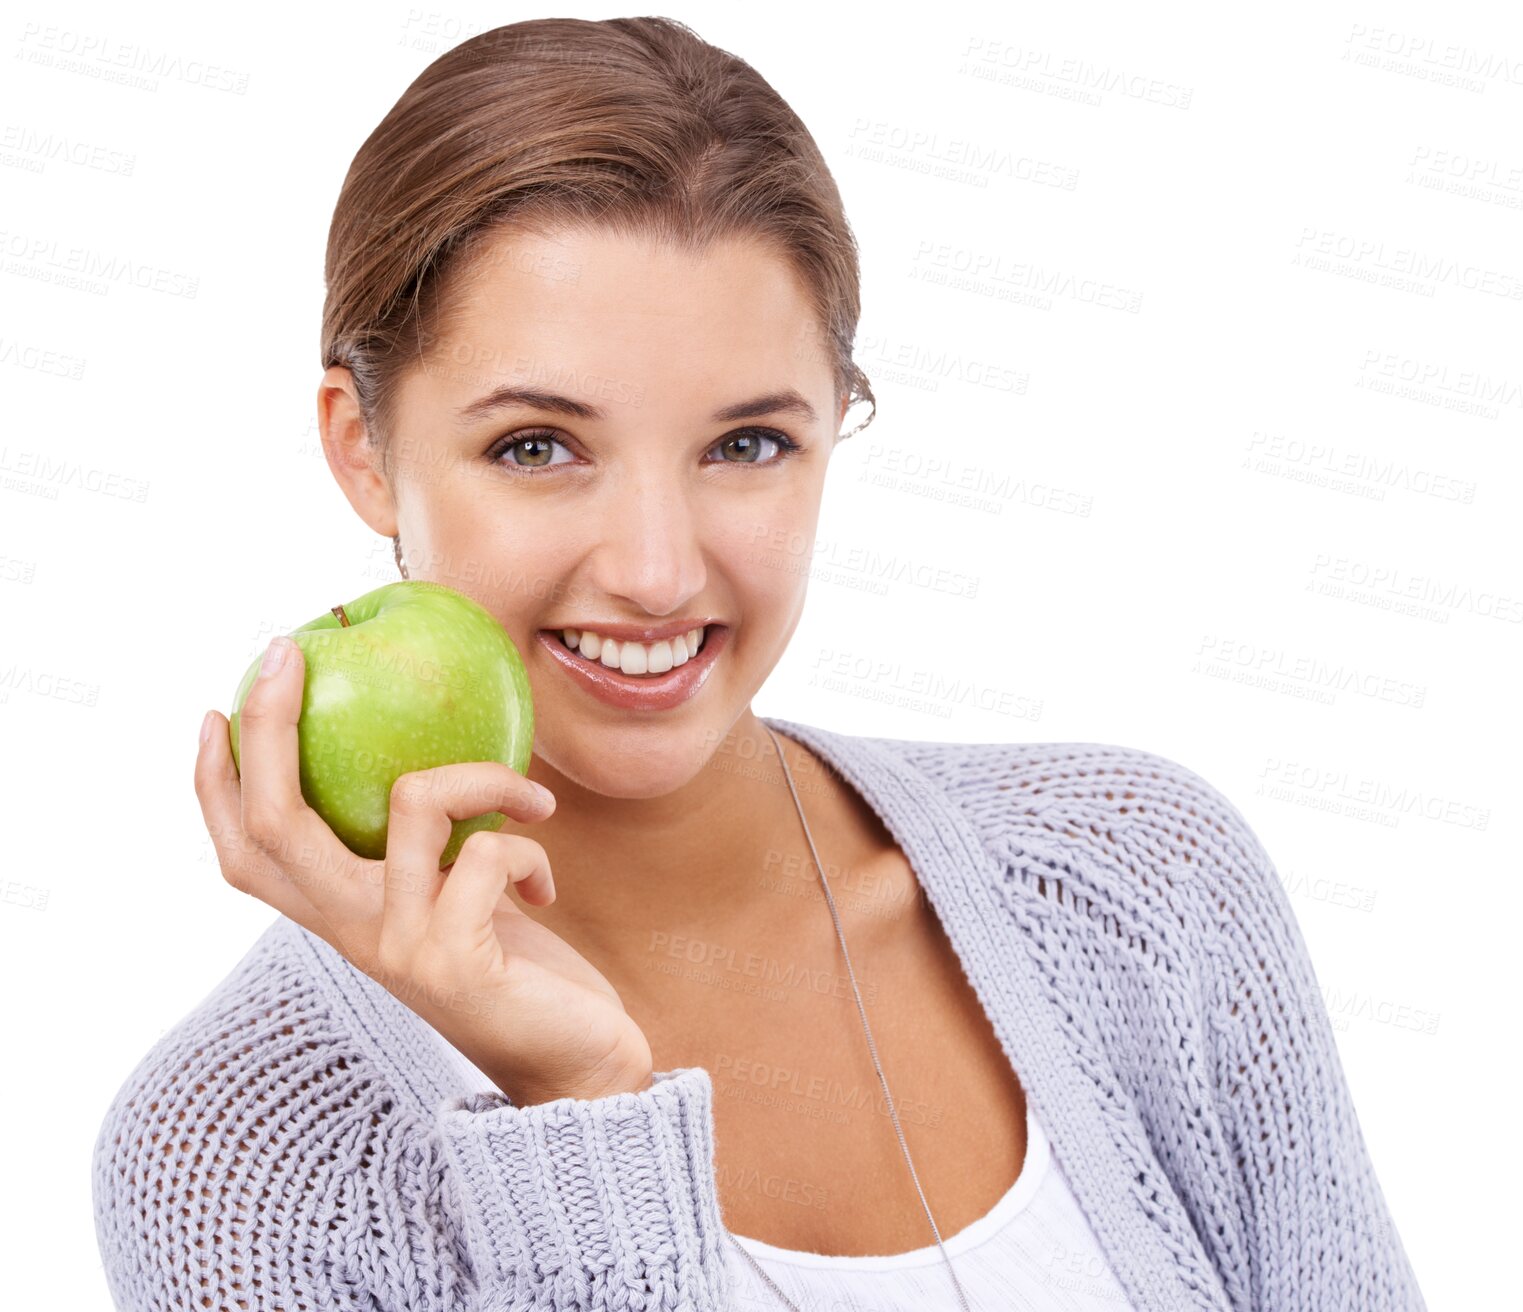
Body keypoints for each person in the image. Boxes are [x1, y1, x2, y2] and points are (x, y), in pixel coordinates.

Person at [90, 16, 1428, 1312]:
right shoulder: (233, 1159)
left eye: (747, 445)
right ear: (362, 447)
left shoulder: (1145, 887)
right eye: (539, 447)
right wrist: (584, 1112)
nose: (659, 570)